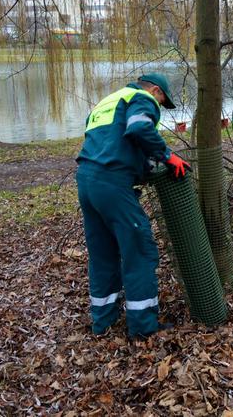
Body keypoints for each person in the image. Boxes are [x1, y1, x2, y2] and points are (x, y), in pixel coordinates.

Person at [75, 73, 190, 339]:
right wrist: (167, 156)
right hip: (113, 182)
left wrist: (141, 164)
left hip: (86, 181)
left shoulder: (106, 103)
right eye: (162, 100)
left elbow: (109, 141)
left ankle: (103, 321)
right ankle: (143, 327)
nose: (159, 106)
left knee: (103, 252)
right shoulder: (141, 98)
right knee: (139, 250)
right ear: (156, 90)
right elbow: (139, 128)